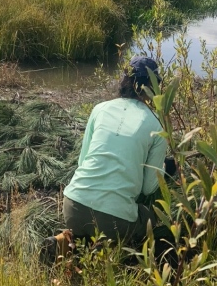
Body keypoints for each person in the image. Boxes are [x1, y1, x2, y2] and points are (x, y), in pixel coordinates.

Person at [50, 56, 169, 256]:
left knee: (87, 230)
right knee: (151, 217)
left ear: (124, 80)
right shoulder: (156, 126)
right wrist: (164, 168)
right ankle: (106, 249)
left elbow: (82, 162)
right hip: (115, 221)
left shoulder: (100, 109)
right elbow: (148, 188)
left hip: (73, 206)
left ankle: (68, 241)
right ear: (154, 87)